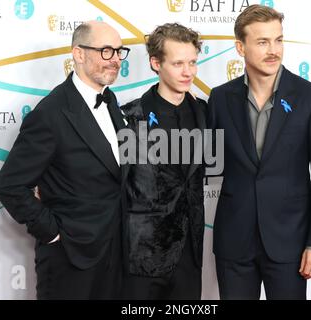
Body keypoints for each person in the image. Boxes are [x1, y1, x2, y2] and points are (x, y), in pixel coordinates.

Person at [207, 4, 311, 300]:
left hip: (290, 241)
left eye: (278, 40)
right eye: (262, 41)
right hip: (234, 241)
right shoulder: (220, 98)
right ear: (240, 47)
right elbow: (206, 163)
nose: (273, 50)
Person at [0, 21, 129, 299]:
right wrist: (53, 233)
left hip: (115, 255)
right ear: (78, 54)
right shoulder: (51, 113)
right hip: (70, 259)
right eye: (106, 51)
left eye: (118, 51)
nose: (115, 59)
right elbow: (9, 185)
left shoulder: (111, 101)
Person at [119, 23, 206, 299]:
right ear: (156, 63)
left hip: (190, 254)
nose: (188, 71)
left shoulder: (204, 112)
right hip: (143, 255)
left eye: (192, 62)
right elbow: (111, 181)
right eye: (178, 63)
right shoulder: (131, 117)